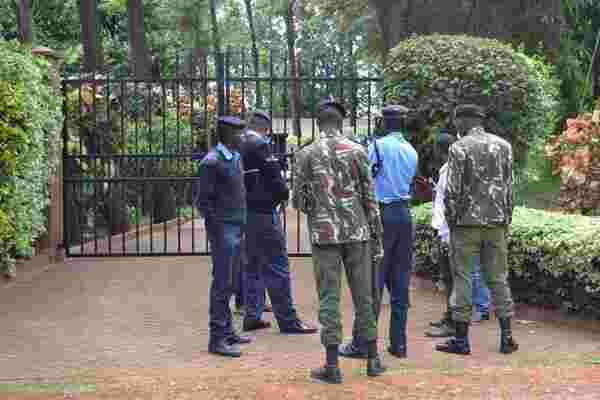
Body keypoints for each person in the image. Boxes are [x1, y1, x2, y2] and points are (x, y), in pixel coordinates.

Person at [292, 97, 386, 384]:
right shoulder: (358, 151)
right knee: (364, 297)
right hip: (358, 233)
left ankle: (332, 365)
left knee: (329, 298)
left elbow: (298, 201)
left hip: (324, 236)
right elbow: (370, 198)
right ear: (341, 122)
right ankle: (372, 359)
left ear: (318, 124)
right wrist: (376, 234)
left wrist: (319, 204)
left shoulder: (305, 154)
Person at [435, 104, 519, 356]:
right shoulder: (504, 146)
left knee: (463, 278)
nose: (454, 125)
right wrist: (506, 220)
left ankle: (461, 340)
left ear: (464, 121)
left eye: (456, 120)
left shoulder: (459, 148)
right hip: (496, 224)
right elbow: (509, 187)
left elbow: (452, 192)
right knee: (498, 278)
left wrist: (451, 221)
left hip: (466, 226)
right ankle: (506, 337)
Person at [338, 105, 418, 360]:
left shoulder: (376, 147)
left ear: (384, 122)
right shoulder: (411, 151)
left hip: (381, 216)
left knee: (373, 280)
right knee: (401, 279)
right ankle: (399, 343)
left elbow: (361, 179)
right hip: (404, 215)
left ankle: (363, 342)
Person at [240, 110, 317, 335]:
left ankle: (252, 315)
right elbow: (276, 178)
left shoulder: (239, 143)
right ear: (266, 129)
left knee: (252, 265)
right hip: (263, 212)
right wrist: (283, 195)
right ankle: (288, 320)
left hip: (245, 212)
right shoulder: (260, 144)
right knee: (277, 265)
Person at [194, 116, 252, 357]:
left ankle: (228, 332)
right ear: (227, 135)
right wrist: (218, 231)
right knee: (222, 284)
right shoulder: (211, 162)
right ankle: (216, 338)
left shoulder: (236, 157)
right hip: (223, 231)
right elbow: (203, 203)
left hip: (237, 227)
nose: (244, 137)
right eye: (239, 133)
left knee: (232, 281)